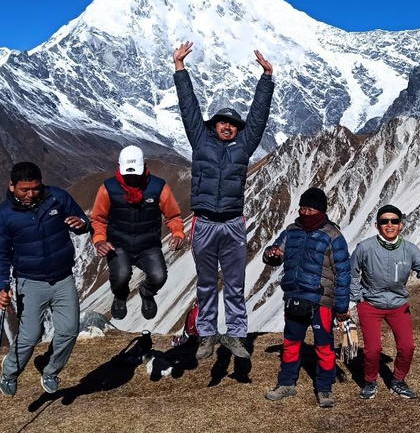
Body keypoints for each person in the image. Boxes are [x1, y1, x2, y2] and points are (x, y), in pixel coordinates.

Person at [172, 41, 275, 360]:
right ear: (213, 126)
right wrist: (179, 68)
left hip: (232, 223)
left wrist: (267, 79)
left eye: (232, 124)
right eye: (222, 122)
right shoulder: (199, 141)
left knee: (234, 283)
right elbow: (188, 108)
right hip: (203, 223)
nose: (228, 126)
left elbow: (258, 118)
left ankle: (236, 336)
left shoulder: (243, 148)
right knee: (205, 283)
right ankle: (205, 335)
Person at [0, 162, 90, 397]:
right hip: (30, 282)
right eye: (24, 190)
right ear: (12, 187)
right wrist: (2, 286)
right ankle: (9, 373)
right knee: (29, 336)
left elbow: (81, 220)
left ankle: (51, 371)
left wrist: (82, 224)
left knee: (69, 330)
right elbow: (1, 254)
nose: (31, 194)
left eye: (36, 188)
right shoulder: (5, 216)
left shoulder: (57, 198)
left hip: (63, 278)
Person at [263, 188, 351, 408]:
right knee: (291, 343)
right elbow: (275, 253)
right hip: (294, 296)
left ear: (320, 210)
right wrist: (271, 254)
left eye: (310, 209)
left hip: (320, 301)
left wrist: (341, 307)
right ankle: (286, 383)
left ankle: (324, 389)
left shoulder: (333, 236)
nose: (305, 212)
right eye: (302, 208)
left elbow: (343, 273)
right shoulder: (291, 231)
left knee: (324, 346)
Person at [349, 204, 420, 400]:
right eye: (384, 221)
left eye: (394, 221)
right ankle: (370, 381)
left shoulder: (409, 249)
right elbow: (351, 273)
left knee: (407, 346)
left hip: (399, 304)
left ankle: (398, 380)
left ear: (401, 225)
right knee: (373, 350)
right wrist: (357, 298)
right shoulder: (365, 247)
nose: (389, 225)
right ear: (377, 225)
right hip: (370, 304)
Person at [90, 145, 186, 321]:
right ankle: (120, 295)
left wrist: (178, 234)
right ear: (119, 167)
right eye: (128, 174)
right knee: (120, 276)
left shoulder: (159, 188)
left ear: (145, 166)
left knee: (158, 276)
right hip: (118, 246)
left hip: (148, 246)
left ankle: (146, 292)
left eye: (136, 174)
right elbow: (98, 219)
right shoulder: (108, 189)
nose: (132, 179)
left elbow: (173, 216)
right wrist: (99, 240)